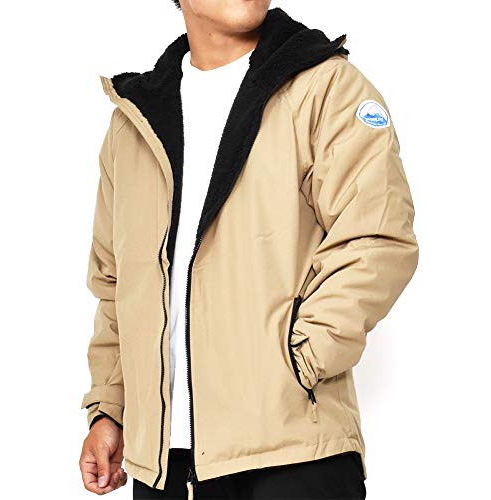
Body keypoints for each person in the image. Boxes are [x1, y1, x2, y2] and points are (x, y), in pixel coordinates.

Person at [79, 1, 419, 498]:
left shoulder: (325, 88)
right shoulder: (133, 123)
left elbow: (377, 236)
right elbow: (116, 284)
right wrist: (111, 409)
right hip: (163, 468)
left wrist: (297, 362)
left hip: (292, 457)